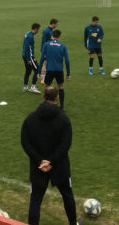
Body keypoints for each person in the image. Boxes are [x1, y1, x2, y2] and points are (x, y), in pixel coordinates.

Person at [21, 87, 83, 225]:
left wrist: (40, 160)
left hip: (38, 167)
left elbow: (25, 142)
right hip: (59, 165)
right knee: (67, 196)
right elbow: (65, 144)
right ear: (57, 98)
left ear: (43, 97)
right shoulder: (64, 119)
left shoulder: (30, 119)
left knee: (35, 200)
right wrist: (51, 161)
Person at [40, 30, 71, 110]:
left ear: (52, 36)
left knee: (46, 86)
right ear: (59, 37)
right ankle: (61, 107)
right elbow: (67, 61)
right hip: (59, 70)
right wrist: (68, 73)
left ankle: (46, 104)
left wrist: (38, 71)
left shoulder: (46, 44)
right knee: (60, 87)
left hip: (50, 69)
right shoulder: (63, 46)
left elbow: (42, 58)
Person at [23, 23, 41, 94]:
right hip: (29, 56)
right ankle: (33, 87)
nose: (39, 31)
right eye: (38, 29)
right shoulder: (30, 36)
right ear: (36, 29)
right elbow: (26, 47)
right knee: (37, 70)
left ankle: (25, 87)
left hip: (25, 55)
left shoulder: (28, 34)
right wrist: (28, 59)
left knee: (28, 71)